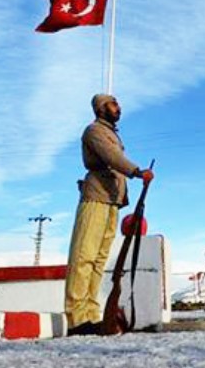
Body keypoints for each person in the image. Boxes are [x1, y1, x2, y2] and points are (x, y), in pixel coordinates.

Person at [64, 93, 153, 336]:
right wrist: (136, 172)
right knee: (84, 257)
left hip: (113, 201)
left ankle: (91, 315)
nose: (118, 107)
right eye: (113, 103)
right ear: (100, 108)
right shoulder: (94, 131)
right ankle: (76, 317)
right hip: (96, 196)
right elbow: (112, 157)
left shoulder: (113, 134)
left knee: (99, 260)